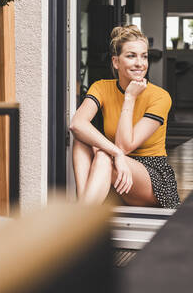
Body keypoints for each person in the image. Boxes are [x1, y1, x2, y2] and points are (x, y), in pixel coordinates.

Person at [70, 25, 180, 209]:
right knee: (81, 140)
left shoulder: (160, 97)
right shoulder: (101, 87)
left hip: (151, 174)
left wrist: (130, 97)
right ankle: (84, 212)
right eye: (131, 56)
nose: (140, 63)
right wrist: (116, 153)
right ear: (116, 62)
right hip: (115, 163)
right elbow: (77, 124)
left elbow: (125, 146)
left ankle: (82, 218)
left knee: (104, 156)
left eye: (144, 56)